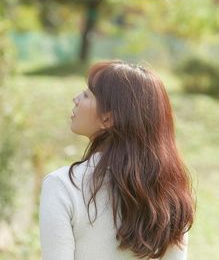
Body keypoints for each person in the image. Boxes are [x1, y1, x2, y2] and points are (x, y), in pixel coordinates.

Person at [39, 60, 196, 260]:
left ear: (108, 118)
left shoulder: (63, 185)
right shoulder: (171, 191)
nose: (75, 98)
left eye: (87, 95)